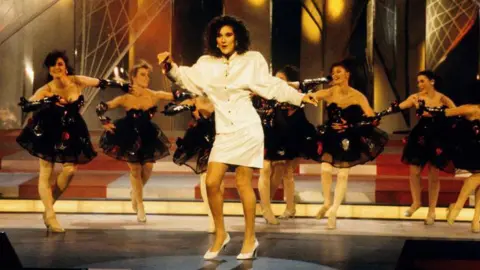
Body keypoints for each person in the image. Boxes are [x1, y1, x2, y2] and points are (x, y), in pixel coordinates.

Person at [158, 15, 317, 260]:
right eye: (219, 35)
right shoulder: (206, 63)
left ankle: (250, 239)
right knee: (212, 182)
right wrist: (169, 67)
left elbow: (271, 85)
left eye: (228, 34)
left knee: (244, 184)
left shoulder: (252, 60)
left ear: (237, 37)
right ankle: (221, 235)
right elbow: (186, 78)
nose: (223, 39)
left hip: (248, 128)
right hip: (224, 131)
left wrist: (299, 97)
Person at [16, 50, 130, 232]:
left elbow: (101, 82)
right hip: (49, 130)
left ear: (65, 66)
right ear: (49, 69)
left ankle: (48, 206)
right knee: (46, 171)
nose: (56, 68)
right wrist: (46, 100)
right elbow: (28, 104)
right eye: (52, 65)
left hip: (71, 130)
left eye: (59, 63)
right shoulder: (47, 89)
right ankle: (51, 215)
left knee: (70, 170)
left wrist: (122, 85)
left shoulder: (77, 81)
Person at [311, 58, 388, 229]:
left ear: (347, 74)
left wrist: (373, 118)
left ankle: (334, 211)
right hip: (330, 136)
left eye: (339, 71)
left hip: (349, 137)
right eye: (333, 72)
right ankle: (326, 203)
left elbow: (370, 114)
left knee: (343, 174)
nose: (335, 74)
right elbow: (309, 97)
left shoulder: (357, 96)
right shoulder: (328, 92)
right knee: (325, 169)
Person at [96, 60, 174, 222]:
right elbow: (102, 107)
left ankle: (135, 192)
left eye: (148, 75)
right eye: (143, 75)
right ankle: (140, 205)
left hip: (147, 134)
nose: (147, 78)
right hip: (128, 134)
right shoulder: (125, 98)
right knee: (135, 169)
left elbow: (174, 96)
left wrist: (196, 94)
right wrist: (104, 121)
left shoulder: (153, 95)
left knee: (148, 167)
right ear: (133, 77)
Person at [377, 70, 456, 225]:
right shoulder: (416, 97)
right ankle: (416, 202)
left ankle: (432, 211)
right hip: (420, 136)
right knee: (414, 171)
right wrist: (381, 114)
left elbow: (456, 111)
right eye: (418, 82)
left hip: (437, 136)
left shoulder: (443, 98)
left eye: (422, 81)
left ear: (431, 81)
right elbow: (399, 107)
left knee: (434, 174)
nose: (419, 84)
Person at [421, 102, 480, 232]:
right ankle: (458, 207)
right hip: (465, 151)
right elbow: (444, 113)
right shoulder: (470, 109)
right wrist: (428, 111)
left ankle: (475, 220)